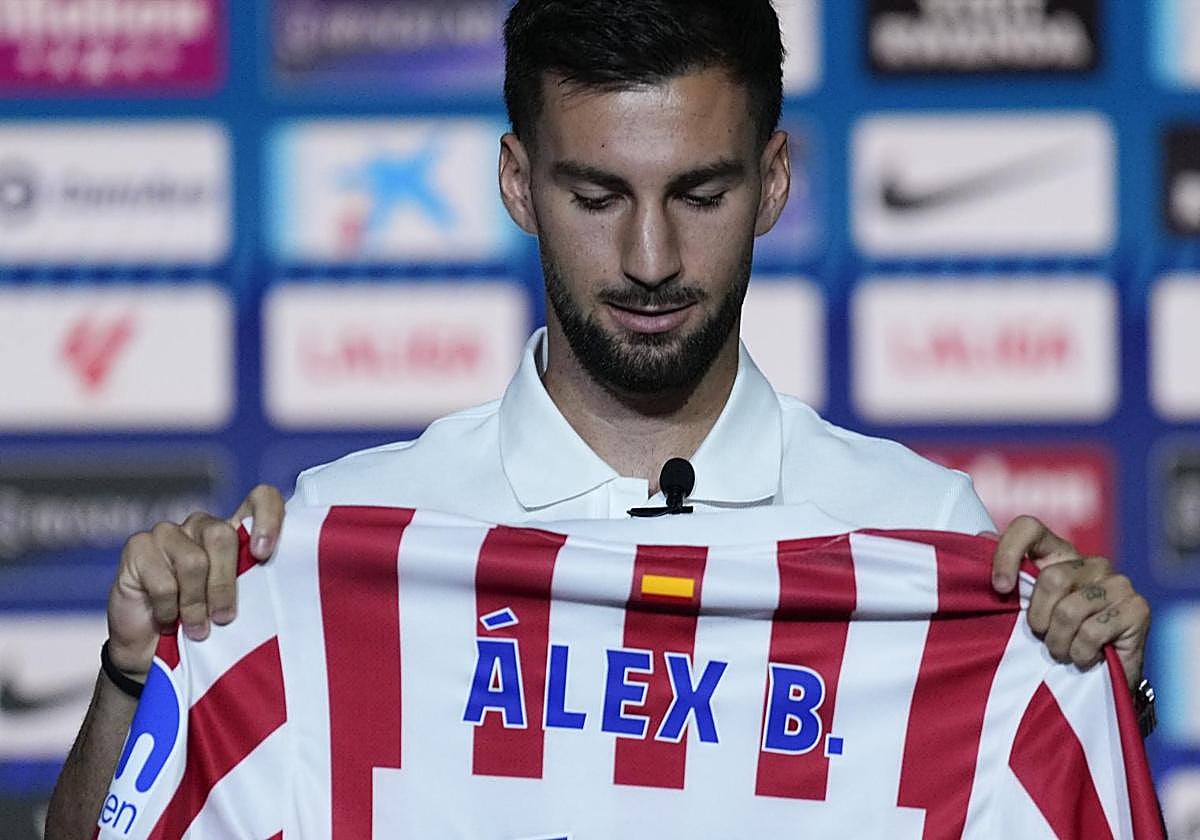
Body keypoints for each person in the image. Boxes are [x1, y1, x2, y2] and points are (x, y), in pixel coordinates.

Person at [46, 0, 1152, 835]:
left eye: (700, 194)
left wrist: (1096, 686)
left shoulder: (930, 542)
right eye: (598, 196)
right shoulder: (347, 543)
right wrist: (138, 673)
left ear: (774, 183)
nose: (652, 260)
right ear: (518, 184)